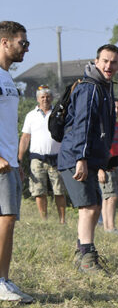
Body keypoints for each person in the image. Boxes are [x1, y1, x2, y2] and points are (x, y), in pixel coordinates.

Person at [58, 44, 118, 273]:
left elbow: (102, 129)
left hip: (89, 158)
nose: (108, 66)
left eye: (113, 62)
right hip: (75, 157)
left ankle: (82, 251)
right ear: (96, 62)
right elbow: (82, 125)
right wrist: (82, 158)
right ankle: (86, 257)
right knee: (89, 206)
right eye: (105, 61)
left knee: (94, 207)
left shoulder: (105, 87)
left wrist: (104, 160)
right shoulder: (90, 88)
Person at [0, 20, 33, 303]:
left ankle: (5, 280)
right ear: (5, 42)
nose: (26, 49)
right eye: (23, 43)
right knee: (5, 219)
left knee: (8, 220)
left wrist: (15, 160)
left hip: (9, 162)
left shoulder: (8, 78)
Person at [18, 85, 66, 223]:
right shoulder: (31, 116)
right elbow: (25, 138)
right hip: (37, 158)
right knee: (39, 191)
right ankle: (43, 219)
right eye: (42, 97)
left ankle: (62, 220)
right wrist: (19, 158)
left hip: (56, 158)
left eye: (48, 97)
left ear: (52, 98)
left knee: (59, 190)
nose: (45, 99)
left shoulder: (58, 114)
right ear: (38, 99)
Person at [98, 97, 118, 233]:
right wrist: (100, 169)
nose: (116, 110)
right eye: (114, 107)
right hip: (104, 163)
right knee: (110, 196)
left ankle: (108, 226)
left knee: (110, 195)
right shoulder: (104, 125)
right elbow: (99, 146)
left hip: (114, 162)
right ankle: (110, 226)